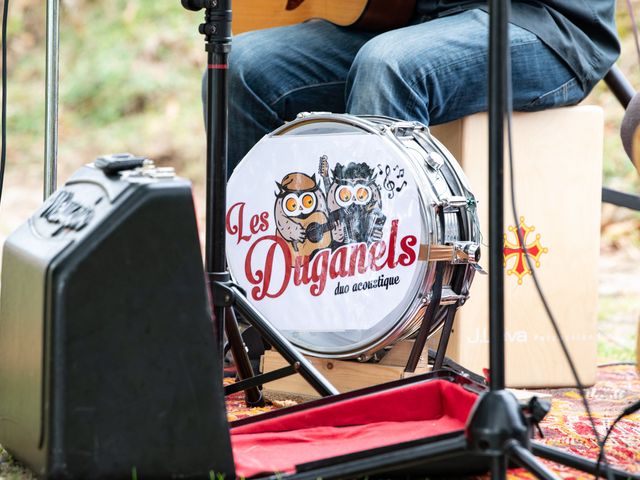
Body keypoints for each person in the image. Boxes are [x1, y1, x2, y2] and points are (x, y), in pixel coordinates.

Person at [209, 1, 619, 174]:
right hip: (408, 19)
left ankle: (371, 304)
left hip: (541, 22)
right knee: (243, 66)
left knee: (390, 64)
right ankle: (254, 308)